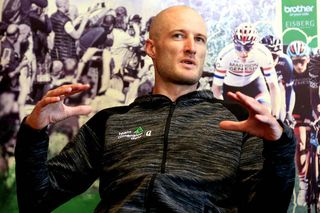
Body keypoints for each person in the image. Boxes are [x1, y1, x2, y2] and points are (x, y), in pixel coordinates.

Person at [15, 6, 296, 212]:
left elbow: (266, 209)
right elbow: (38, 199)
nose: (192, 48)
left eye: (199, 39)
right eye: (178, 36)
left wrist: (280, 146)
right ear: (151, 47)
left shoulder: (237, 120)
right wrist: (33, 132)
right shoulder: (110, 122)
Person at [212, 23, 281, 118]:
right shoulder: (225, 55)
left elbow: (273, 85)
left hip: (255, 85)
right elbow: (216, 89)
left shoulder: (263, 53)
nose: (243, 52)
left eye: (248, 47)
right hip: (231, 89)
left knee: (265, 114)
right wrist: (222, 111)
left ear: (256, 45)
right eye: (238, 47)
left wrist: (275, 116)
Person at [286, 40, 319, 206]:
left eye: (302, 61)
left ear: (308, 58)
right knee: (301, 143)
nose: (299, 65)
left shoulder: (313, 69)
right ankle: (304, 184)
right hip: (297, 111)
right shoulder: (289, 71)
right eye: (295, 62)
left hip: (313, 109)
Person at [260, 35, 295, 126]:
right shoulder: (254, 61)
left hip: (276, 87)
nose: (271, 60)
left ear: (279, 55)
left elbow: (290, 89)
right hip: (260, 88)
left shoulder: (286, 62)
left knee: (280, 118)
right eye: (267, 56)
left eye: (274, 56)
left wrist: (288, 113)